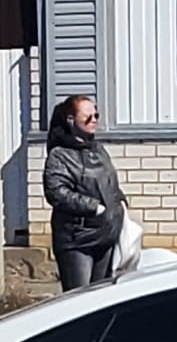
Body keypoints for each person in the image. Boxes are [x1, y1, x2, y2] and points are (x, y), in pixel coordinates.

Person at [43, 95, 126, 290]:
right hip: (78, 240)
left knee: (101, 299)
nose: (94, 120)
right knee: (79, 299)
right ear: (71, 120)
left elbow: (108, 182)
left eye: (96, 115)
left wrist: (120, 203)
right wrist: (92, 207)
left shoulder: (97, 149)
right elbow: (56, 192)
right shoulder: (60, 154)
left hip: (105, 235)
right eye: (87, 116)